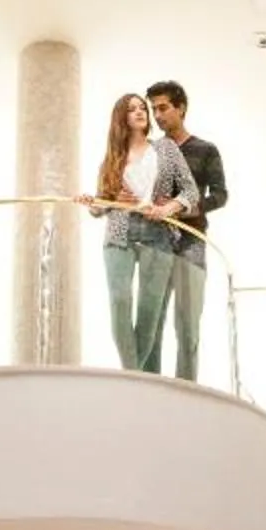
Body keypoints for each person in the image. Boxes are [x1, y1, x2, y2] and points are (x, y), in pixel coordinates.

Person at [91, 90, 197, 372]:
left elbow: (190, 191)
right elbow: (100, 206)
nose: (140, 112)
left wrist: (168, 208)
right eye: (132, 109)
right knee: (120, 301)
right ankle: (133, 377)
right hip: (119, 233)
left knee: (149, 313)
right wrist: (93, 202)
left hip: (158, 235)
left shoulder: (166, 148)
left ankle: (132, 379)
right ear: (121, 118)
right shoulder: (112, 158)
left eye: (142, 108)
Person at [146, 80, 228, 382]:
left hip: (192, 243)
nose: (158, 115)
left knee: (188, 324)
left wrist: (185, 208)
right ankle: (148, 388)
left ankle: (186, 391)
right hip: (155, 244)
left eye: (164, 108)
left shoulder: (205, 150)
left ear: (181, 108)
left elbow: (220, 195)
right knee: (150, 321)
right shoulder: (151, 151)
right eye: (154, 109)